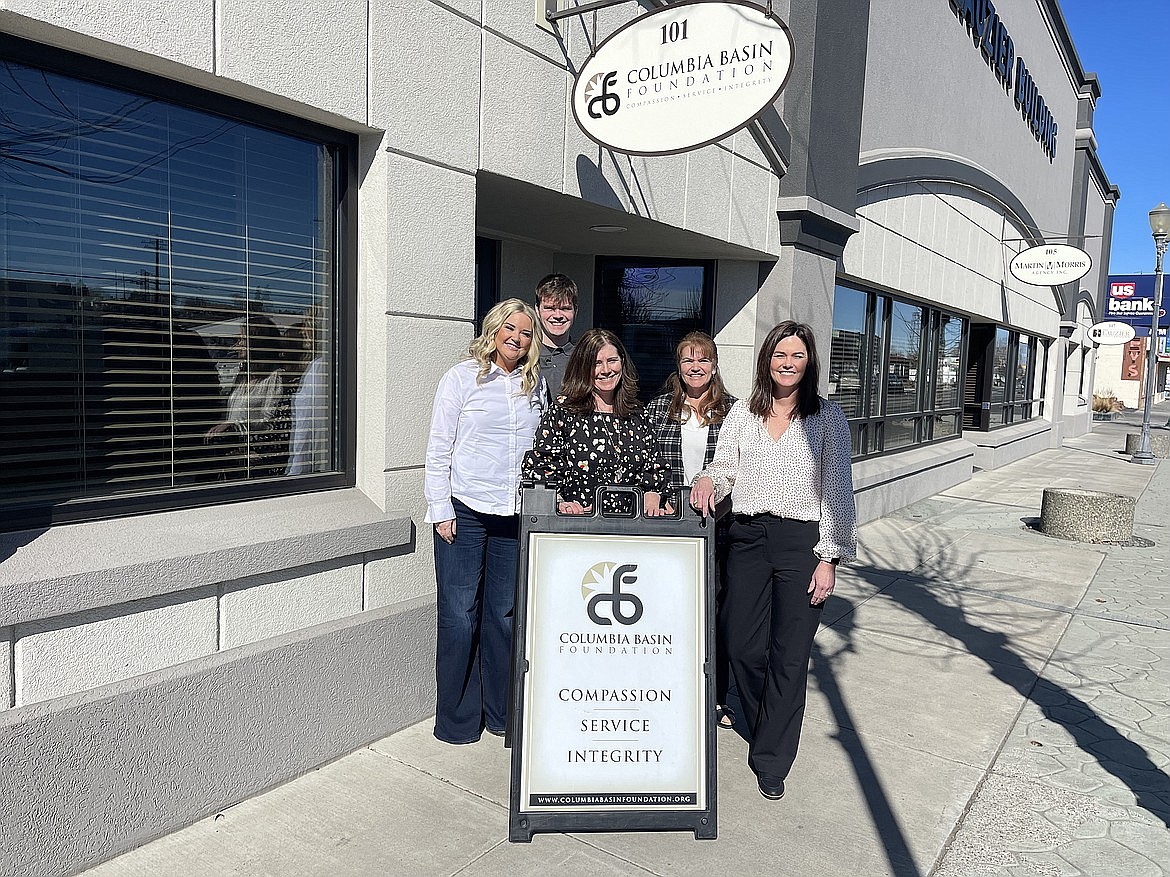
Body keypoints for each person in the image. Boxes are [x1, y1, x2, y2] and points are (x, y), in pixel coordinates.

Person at [690, 321, 856, 801]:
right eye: (779, 354)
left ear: (809, 363)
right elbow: (727, 467)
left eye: (797, 355)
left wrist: (829, 558)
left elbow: (838, 492)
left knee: (789, 654)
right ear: (767, 359)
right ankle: (770, 719)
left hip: (801, 543)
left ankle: (771, 757)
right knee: (740, 642)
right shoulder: (743, 412)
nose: (787, 362)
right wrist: (708, 481)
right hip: (747, 538)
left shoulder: (827, 419)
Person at [424, 299, 545, 744]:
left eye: (526, 332)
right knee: (459, 615)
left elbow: (542, 452)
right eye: (510, 329)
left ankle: (502, 715)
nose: (517, 338)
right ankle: (456, 721)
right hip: (466, 512)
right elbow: (439, 448)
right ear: (493, 330)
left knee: (504, 616)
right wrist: (440, 510)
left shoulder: (536, 386)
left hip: (513, 516)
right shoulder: (461, 378)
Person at [643, 331, 738, 729]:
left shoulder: (735, 411)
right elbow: (644, 457)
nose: (695, 367)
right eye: (687, 360)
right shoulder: (657, 409)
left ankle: (715, 695)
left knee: (716, 609)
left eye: (703, 360)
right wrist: (651, 490)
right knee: (670, 608)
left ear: (714, 365)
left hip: (719, 522)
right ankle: (669, 686)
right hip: (671, 520)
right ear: (678, 366)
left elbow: (740, 467)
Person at [522, 327, 670, 517]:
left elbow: (655, 464)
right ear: (582, 367)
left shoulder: (637, 414)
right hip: (578, 525)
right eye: (596, 363)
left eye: (612, 361)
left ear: (622, 363)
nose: (606, 370)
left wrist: (653, 493)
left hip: (631, 527)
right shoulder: (564, 411)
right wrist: (559, 502)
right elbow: (542, 466)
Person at [204, 315, 291, 478]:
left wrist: (235, 427)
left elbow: (272, 422)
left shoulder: (275, 378)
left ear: (257, 343)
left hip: (255, 460)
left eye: (242, 339)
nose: (237, 345)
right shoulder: (243, 376)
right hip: (234, 457)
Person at [534, 273, 578, 400]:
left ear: (576, 310)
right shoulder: (524, 356)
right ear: (537, 310)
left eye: (565, 308)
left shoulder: (584, 357)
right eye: (549, 308)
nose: (557, 315)